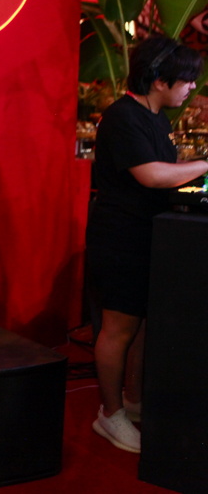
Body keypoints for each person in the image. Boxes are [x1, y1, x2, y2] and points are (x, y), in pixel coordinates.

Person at [86, 37, 206, 454]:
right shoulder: (123, 116)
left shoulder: (155, 117)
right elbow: (152, 175)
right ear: (159, 81)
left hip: (144, 234)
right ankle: (110, 413)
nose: (192, 87)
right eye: (186, 80)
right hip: (120, 237)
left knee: (137, 326)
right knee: (118, 329)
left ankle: (132, 399)